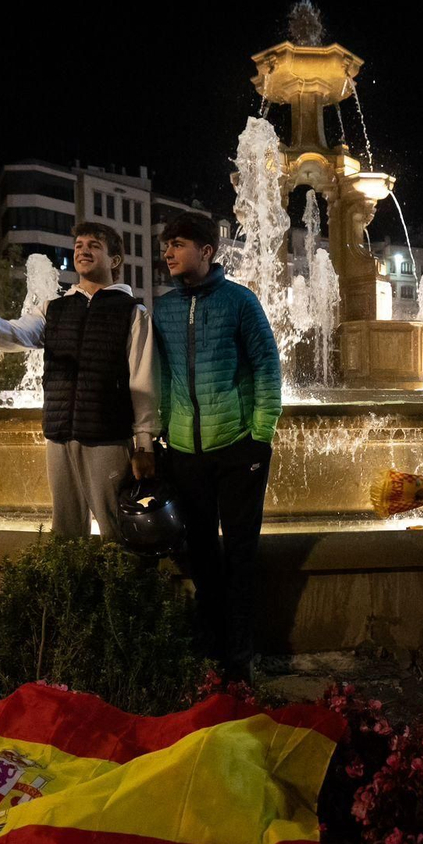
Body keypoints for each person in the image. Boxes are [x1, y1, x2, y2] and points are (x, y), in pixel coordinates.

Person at [0, 222, 160, 539]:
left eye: (94, 245)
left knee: (116, 528)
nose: (83, 250)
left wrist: (145, 444)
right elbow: (11, 334)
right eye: (79, 245)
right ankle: (69, 587)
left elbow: (144, 382)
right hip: (59, 435)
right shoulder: (53, 309)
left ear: (114, 260)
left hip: (108, 436)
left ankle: (122, 587)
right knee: (67, 533)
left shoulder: (133, 311)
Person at [152, 212, 281, 683]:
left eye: (178, 243)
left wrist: (260, 433)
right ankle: (211, 650)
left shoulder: (239, 301)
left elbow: (267, 365)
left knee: (241, 553)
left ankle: (240, 657)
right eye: (166, 245)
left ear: (207, 251)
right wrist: (160, 432)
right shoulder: (163, 308)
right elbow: (160, 374)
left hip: (237, 446)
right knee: (202, 552)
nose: (168, 252)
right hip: (185, 450)